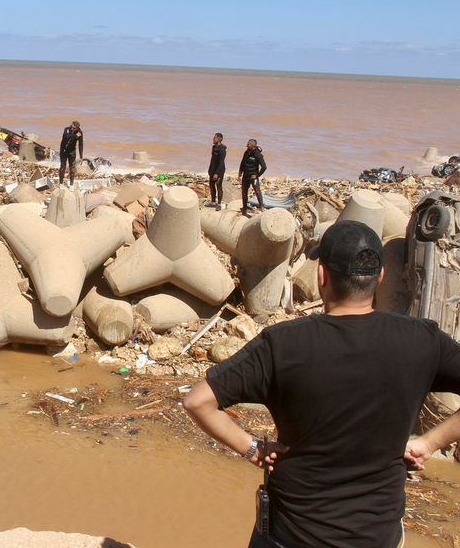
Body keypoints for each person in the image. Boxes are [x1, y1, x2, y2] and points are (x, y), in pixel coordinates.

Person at [183, 220, 460, 548]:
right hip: (378, 536)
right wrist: (427, 443)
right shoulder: (422, 340)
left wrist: (253, 447)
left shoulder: (283, 344)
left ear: (321, 276)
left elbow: (197, 401)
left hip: (293, 535)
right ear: (380, 277)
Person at [238, 139, 267, 216]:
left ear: (253, 146)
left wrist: (257, 175)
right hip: (245, 176)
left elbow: (264, 167)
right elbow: (242, 164)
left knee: (257, 191)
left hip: (253, 177)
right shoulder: (246, 153)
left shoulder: (258, 155)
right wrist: (240, 174)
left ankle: (262, 207)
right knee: (244, 192)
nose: (246, 145)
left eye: (248, 144)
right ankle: (244, 209)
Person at [59, 120, 83, 185]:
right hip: (64, 150)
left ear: (77, 128)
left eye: (74, 128)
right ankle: (61, 183)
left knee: (72, 168)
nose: (72, 129)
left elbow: (80, 145)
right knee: (62, 168)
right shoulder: (67, 129)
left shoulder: (80, 133)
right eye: (71, 127)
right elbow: (66, 136)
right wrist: (75, 136)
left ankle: (71, 184)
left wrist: (81, 156)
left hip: (72, 151)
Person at [208, 133, 227, 211]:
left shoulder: (222, 150)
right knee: (211, 185)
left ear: (218, 139)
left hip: (220, 170)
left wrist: (217, 173)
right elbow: (212, 159)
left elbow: (221, 162)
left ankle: (219, 203)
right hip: (213, 168)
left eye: (214, 138)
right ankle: (213, 202)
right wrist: (210, 169)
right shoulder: (214, 147)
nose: (213, 139)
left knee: (218, 186)